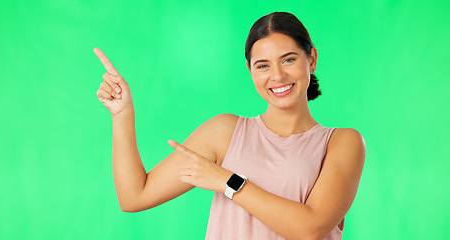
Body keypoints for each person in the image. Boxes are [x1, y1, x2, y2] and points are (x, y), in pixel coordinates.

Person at [94, 12, 365, 240]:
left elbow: (311, 228)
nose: (277, 75)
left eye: (289, 59)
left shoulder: (342, 143)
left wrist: (226, 180)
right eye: (262, 66)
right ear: (250, 71)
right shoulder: (224, 132)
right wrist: (122, 115)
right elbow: (134, 197)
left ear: (312, 59)